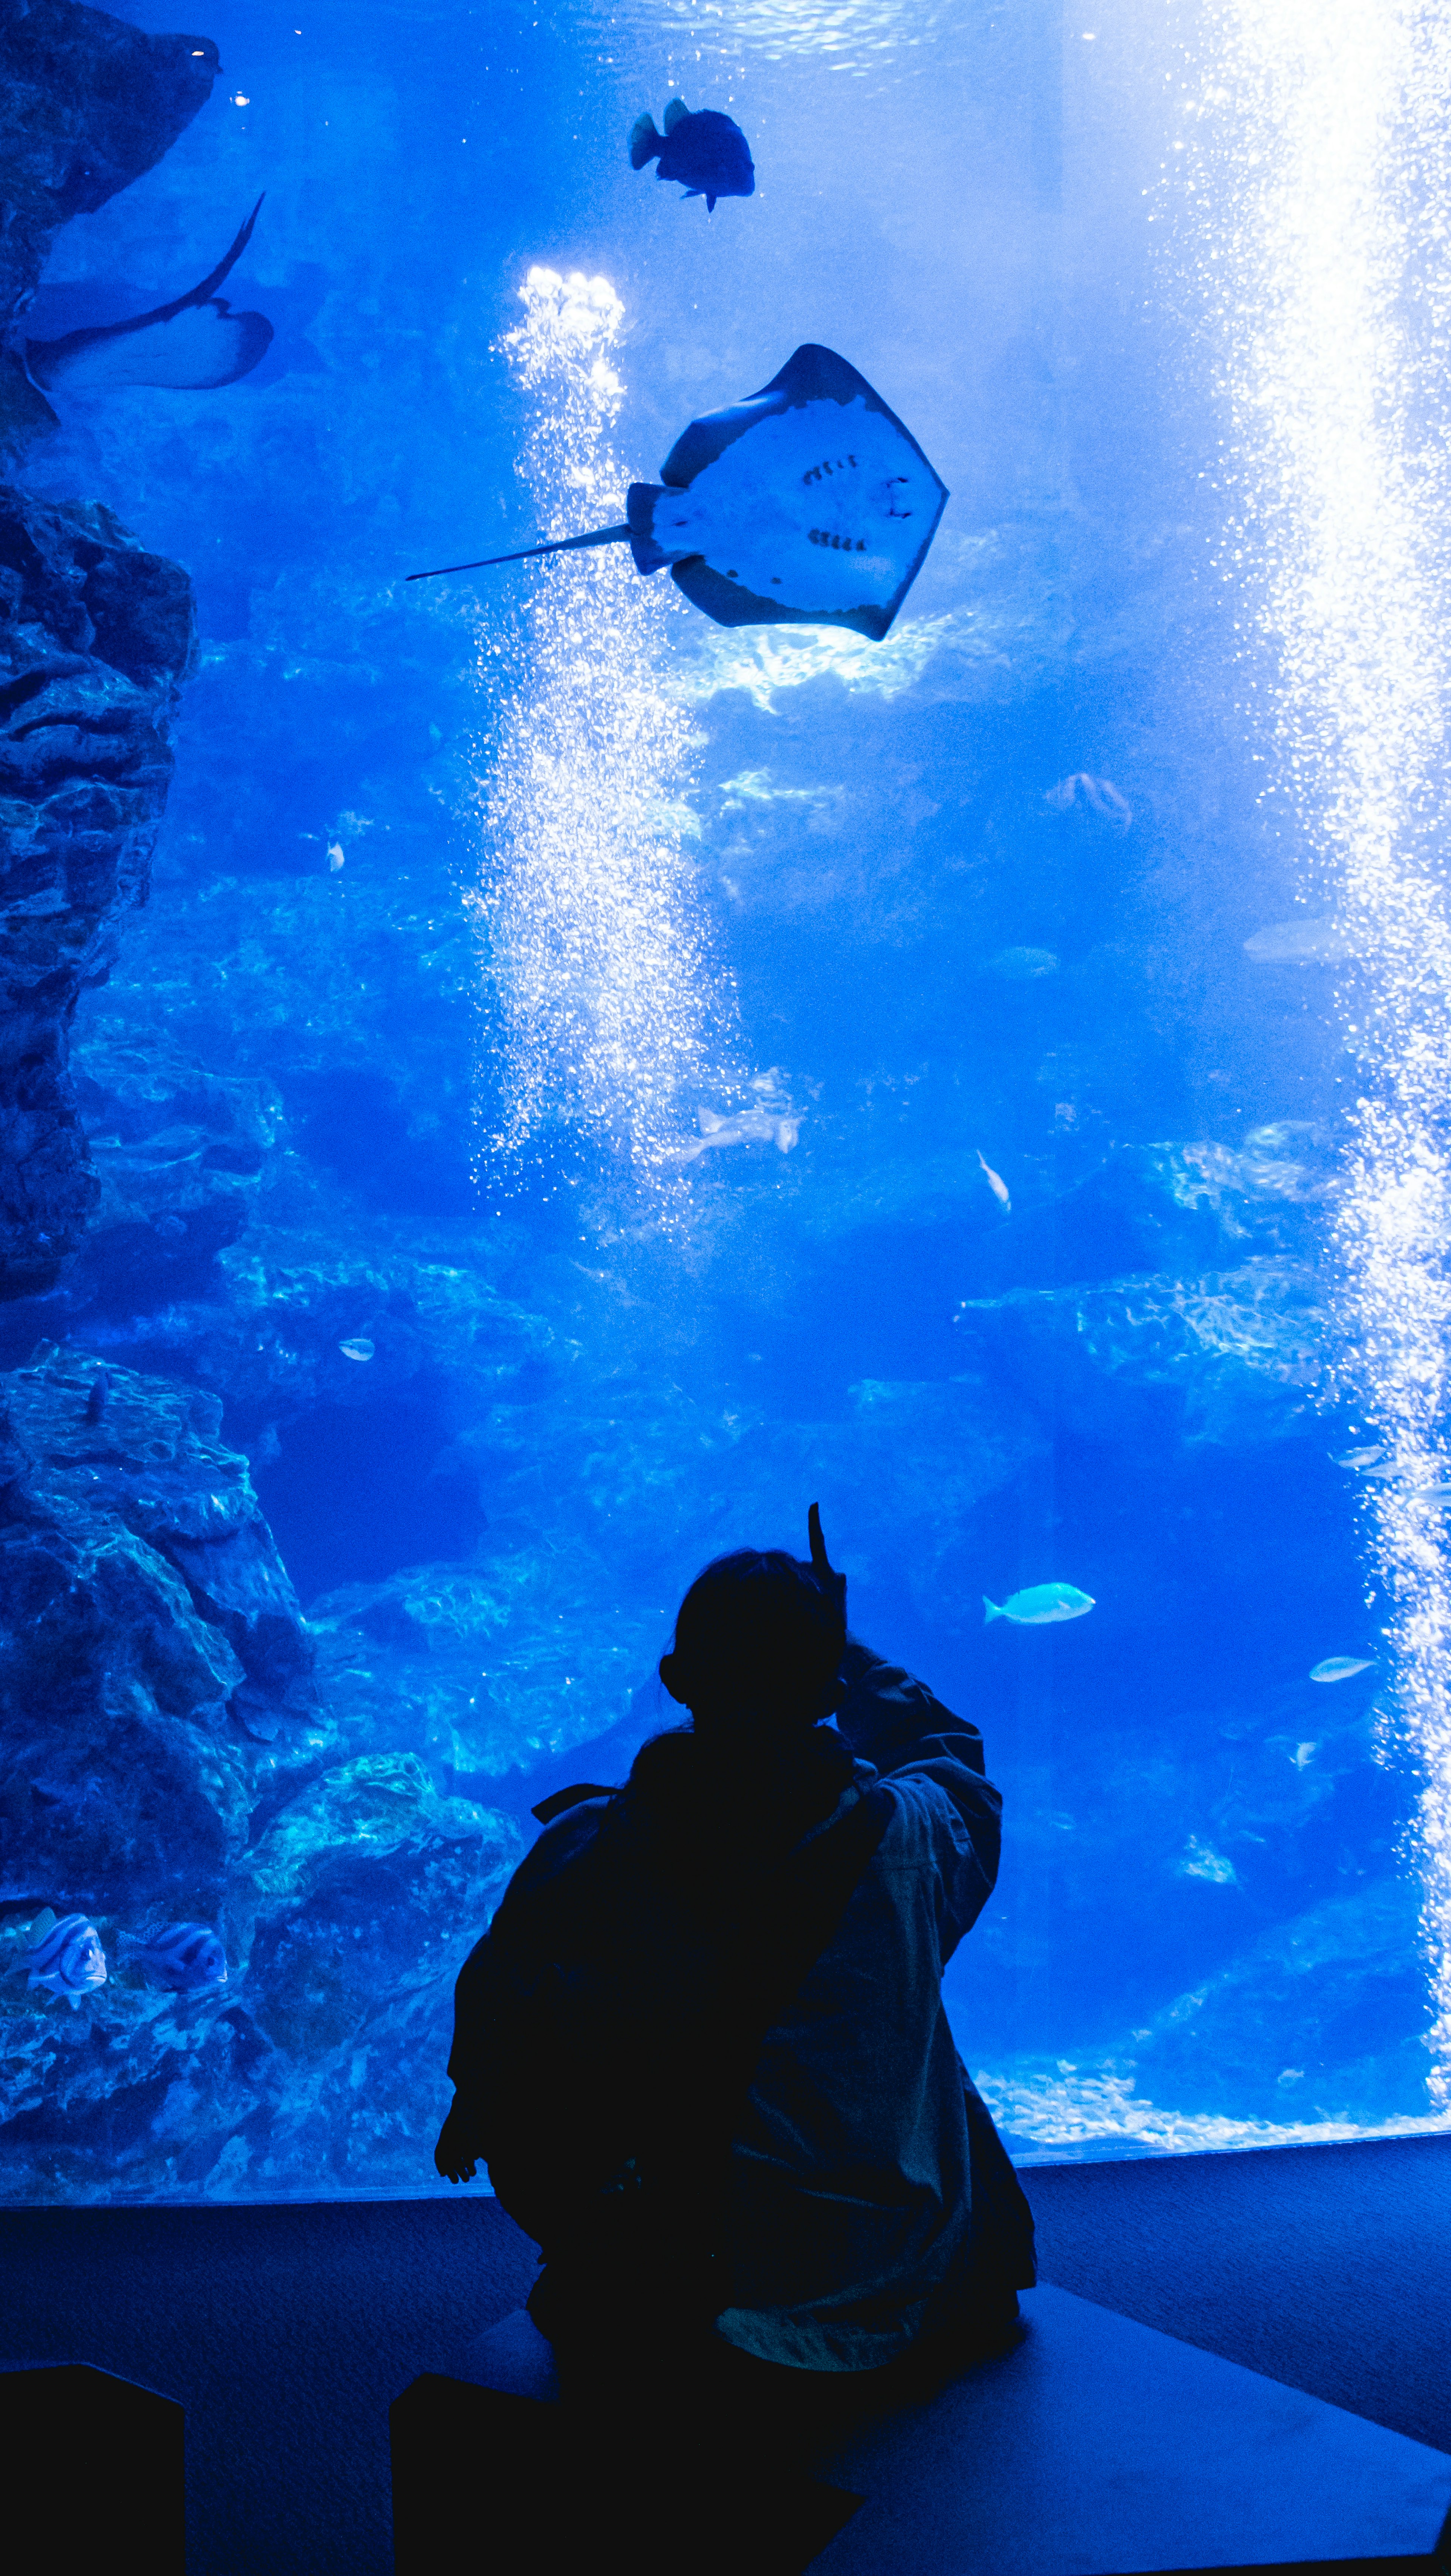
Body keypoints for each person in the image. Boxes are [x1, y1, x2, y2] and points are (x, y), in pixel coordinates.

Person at [435, 1505, 1034, 2568]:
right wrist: (844, 1646)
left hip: (671, 2289)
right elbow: (956, 1761)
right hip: (892, 2275)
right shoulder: (912, 1842)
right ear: (828, 1692)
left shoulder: (587, 1852)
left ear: (675, 1677)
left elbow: (491, 2035)